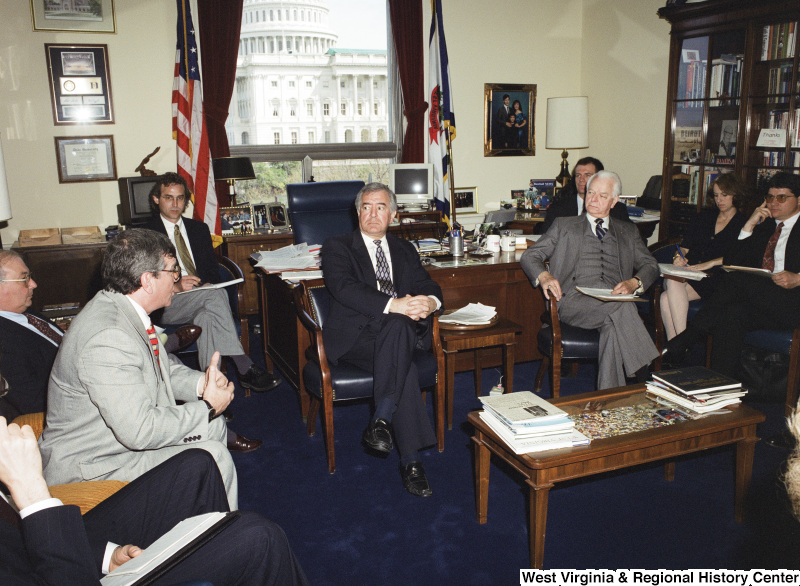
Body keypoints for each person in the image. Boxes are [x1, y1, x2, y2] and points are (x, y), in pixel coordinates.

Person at [39, 229, 240, 508]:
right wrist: (206, 407)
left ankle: (199, 524)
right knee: (213, 454)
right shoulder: (107, 337)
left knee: (214, 428)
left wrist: (201, 385)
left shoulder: (122, 306)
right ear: (148, 280)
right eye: (173, 271)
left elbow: (161, 367)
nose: (177, 279)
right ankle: (217, 542)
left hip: (115, 447)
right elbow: (141, 431)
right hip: (95, 467)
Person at [0, 418, 309, 585]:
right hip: (62, 573)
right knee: (258, 538)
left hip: (46, 547)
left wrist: (106, 557)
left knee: (195, 467)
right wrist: (32, 493)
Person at [321, 182, 443, 497]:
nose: (372, 214)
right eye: (366, 207)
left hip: (398, 335)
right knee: (406, 365)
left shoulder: (404, 249)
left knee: (399, 329)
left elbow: (428, 283)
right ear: (357, 212)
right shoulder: (337, 246)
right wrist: (395, 305)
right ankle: (411, 462)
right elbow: (344, 288)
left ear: (393, 215)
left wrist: (430, 302)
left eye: (380, 207)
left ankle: (382, 421)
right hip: (356, 338)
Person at [0, 250, 203, 420]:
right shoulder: (3, 340)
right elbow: (33, 400)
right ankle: (164, 347)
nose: (33, 284)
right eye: (24, 278)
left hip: (87, 364)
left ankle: (160, 346)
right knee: (152, 359)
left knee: (158, 357)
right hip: (84, 393)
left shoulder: (22, 313)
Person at [521, 171, 660, 390]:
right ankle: (648, 374)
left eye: (602, 196)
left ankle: (609, 400)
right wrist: (545, 276)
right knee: (623, 308)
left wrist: (634, 283)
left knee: (612, 329)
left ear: (614, 202)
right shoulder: (564, 226)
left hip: (612, 298)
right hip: (573, 299)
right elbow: (530, 256)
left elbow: (651, 265)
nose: (593, 199)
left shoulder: (627, 231)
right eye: (590, 193)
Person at [144, 172, 280, 393]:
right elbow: (145, 279)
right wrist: (177, 286)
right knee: (214, 297)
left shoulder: (199, 230)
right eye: (169, 197)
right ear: (156, 199)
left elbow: (212, 272)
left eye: (180, 198)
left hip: (201, 298)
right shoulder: (145, 235)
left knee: (207, 315)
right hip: (166, 303)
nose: (175, 203)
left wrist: (206, 285)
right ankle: (244, 365)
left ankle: (209, 391)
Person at [664, 172, 800, 379]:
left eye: (781, 197)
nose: (774, 202)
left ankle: (686, 338)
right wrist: (749, 225)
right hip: (763, 300)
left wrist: (798, 278)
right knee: (729, 315)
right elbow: (733, 260)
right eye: (770, 197)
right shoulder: (766, 227)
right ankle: (721, 387)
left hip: (792, 302)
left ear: (798, 199)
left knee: (736, 280)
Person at [659, 174, 748, 339]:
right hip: (692, 273)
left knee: (666, 295)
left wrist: (708, 263)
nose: (719, 200)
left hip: (717, 279)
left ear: (735, 196)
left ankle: (677, 345)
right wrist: (678, 257)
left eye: (724, 195)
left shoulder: (743, 224)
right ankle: (678, 346)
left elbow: (738, 256)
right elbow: (684, 247)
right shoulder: (703, 218)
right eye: (716, 195)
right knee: (670, 286)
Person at [538, 157, 630, 234]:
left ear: (598, 178)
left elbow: (632, 238)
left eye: (587, 175)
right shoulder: (559, 207)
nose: (581, 179)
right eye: (578, 175)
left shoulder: (616, 208)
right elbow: (546, 236)